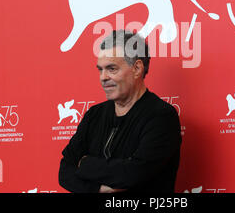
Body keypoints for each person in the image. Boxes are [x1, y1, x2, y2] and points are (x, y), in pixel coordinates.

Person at [58, 30, 182, 193]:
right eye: (100, 70)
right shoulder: (94, 114)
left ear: (137, 68)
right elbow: (65, 171)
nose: (103, 77)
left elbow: (134, 174)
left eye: (111, 69)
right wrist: (99, 189)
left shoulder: (161, 116)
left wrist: (86, 163)